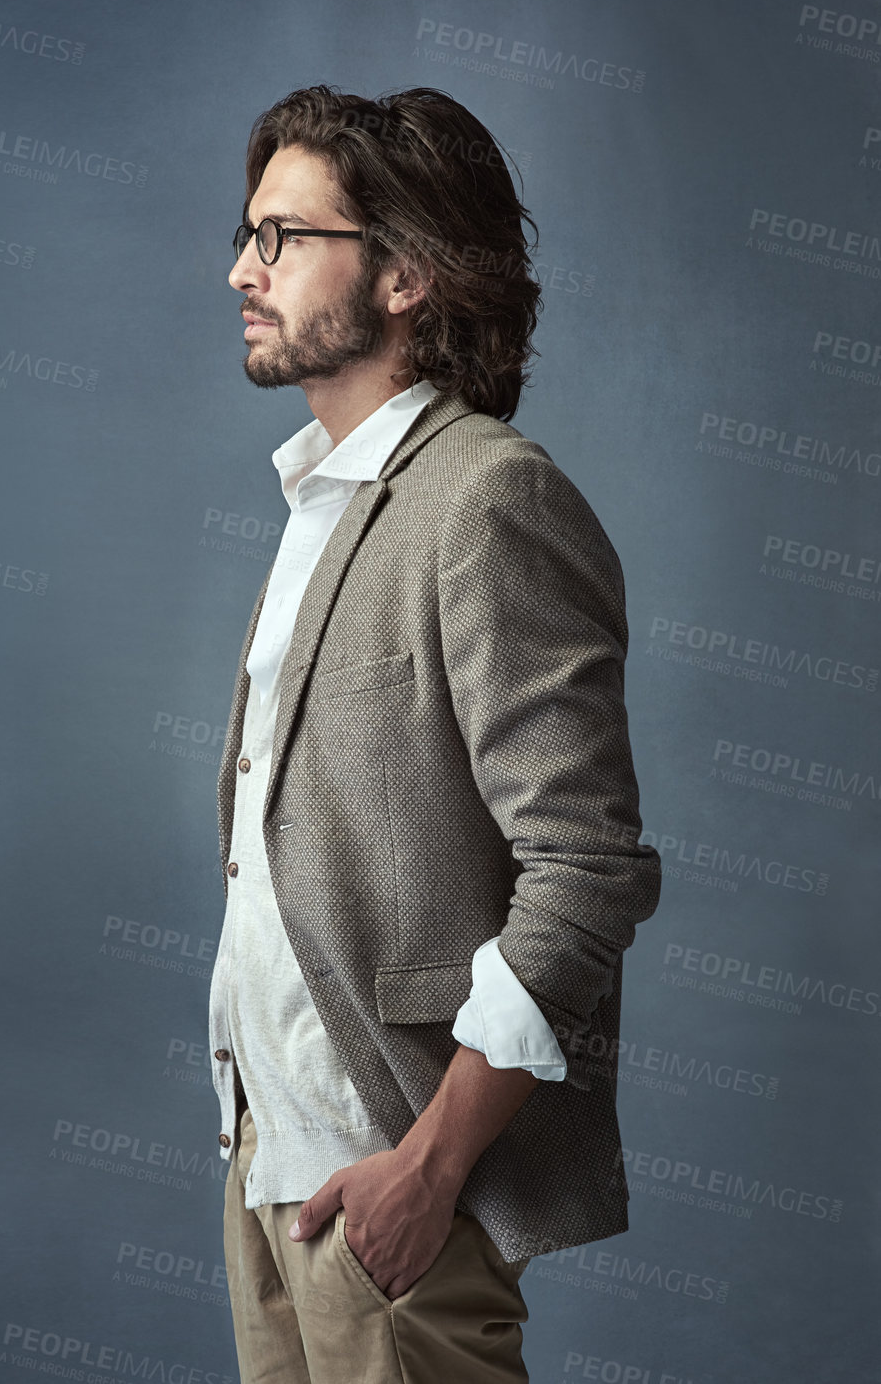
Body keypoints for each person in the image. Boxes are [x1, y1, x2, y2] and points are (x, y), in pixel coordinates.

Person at [207, 84, 663, 1383]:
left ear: (405, 274)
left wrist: (433, 1163)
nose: (244, 268)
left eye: (284, 237)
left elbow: (584, 871)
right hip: (272, 1178)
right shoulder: (319, 508)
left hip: (397, 1192)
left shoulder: (488, 501)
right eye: (248, 235)